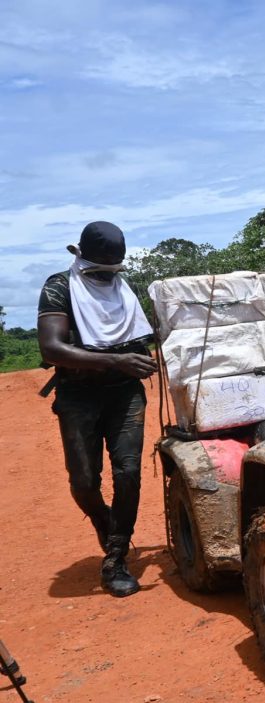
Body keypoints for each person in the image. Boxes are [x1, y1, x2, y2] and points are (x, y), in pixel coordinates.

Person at [38, 221, 156, 598]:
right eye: (100, 267)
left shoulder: (123, 290)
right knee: (85, 483)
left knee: (129, 472)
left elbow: (141, 338)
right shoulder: (60, 287)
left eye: (113, 268)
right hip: (78, 396)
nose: (107, 275)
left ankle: (116, 557)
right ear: (82, 256)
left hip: (125, 395)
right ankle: (105, 522)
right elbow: (51, 348)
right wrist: (117, 361)